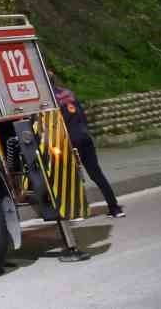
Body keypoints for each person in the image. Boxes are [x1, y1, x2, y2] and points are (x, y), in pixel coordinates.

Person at [54, 80, 125, 218]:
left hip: (70, 141)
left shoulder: (51, 99)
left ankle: (78, 212)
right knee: (96, 174)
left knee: (71, 176)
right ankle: (115, 208)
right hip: (85, 137)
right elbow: (83, 116)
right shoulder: (69, 93)